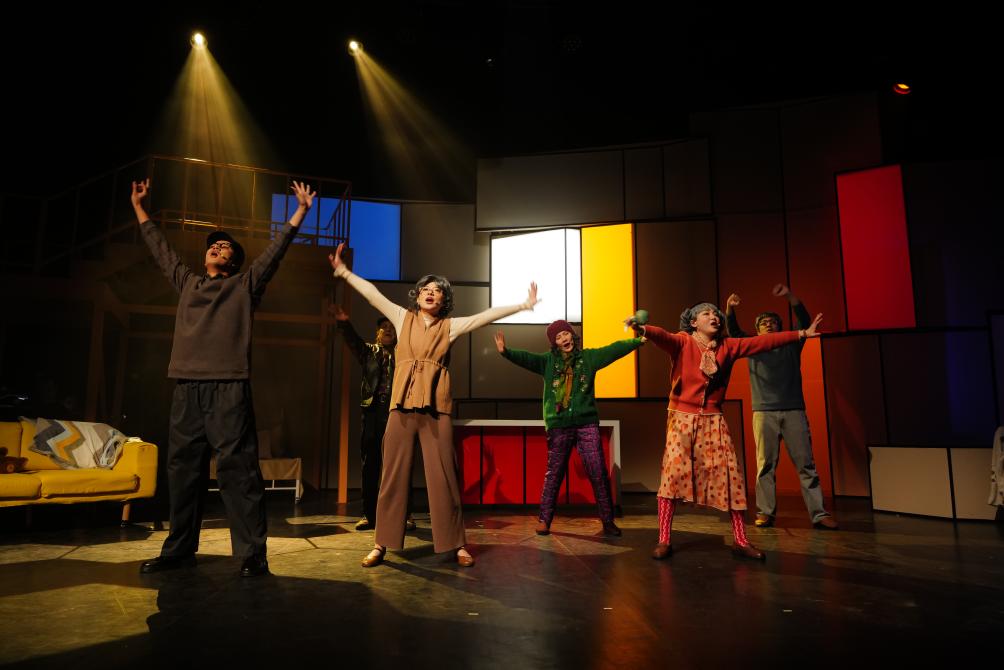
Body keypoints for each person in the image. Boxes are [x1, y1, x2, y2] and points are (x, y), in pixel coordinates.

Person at [132, 178, 315, 577]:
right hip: (186, 387)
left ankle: (251, 555)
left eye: (225, 246)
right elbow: (161, 251)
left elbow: (273, 255)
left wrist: (300, 212)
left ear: (233, 262)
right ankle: (179, 550)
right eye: (212, 245)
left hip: (229, 388)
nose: (216, 247)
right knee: (183, 473)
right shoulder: (188, 283)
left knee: (239, 472)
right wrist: (140, 208)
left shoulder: (244, 285)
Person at [329, 243, 539, 567]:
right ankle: (381, 543)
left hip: (435, 408)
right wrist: (344, 272)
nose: (430, 293)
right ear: (417, 296)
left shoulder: (450, 326)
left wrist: (523, 305)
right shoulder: (402, 318)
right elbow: (372, 294)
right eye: (426, 289)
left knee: (444, 477)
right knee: (392, 476)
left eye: (437, 290)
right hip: (401, 406)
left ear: (444, 300)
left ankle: (457, 544)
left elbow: (484, 317)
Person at [630, 301, 822, 560]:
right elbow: (662, 336)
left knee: (731, 477)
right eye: (706, 313)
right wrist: (643, 329)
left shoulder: (728, 346)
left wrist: (800, 333)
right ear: (694, 322)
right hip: (682, 418)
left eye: (716, 313)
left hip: (713, 419)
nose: (714, 317)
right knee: (672, 477)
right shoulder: (683, 342)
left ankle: (740, 540)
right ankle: (664, 539)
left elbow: (763, 342)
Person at [494, 321, 644, 536]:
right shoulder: (548, 361)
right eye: (558, 337)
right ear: (554, 343)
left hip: (586, 423)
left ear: (573, 335)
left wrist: (637, 341)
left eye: (566, 334)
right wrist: (506, 352)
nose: (564, 339)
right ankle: (544, 520)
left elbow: (613, 350)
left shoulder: (589, 358)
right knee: (554, 474)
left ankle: (608, 521)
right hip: (559, 424)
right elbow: (527, 358)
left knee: (598, 472)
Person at [725, 285, 838, 530]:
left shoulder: (791, 344)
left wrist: (788, 296)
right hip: (763, 412)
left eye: (772, 322)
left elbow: (804, 321)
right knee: (765, 465)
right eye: (763, 323)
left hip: (793, 410)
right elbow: (733, 331)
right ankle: (765, 512)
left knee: (806, 464)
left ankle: (819, 514)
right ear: (757, 330)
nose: (768, 324)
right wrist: (730, 308)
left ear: (780, 327)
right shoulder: (753, 345)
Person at [331, 308, 416, 532]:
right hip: (373, 413)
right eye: (383, 328)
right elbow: (353, 341)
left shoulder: (403, 354)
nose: (388, 330)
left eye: (391, 328)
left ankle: (405, 514)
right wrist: (344, 323)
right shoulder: (369, 351)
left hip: (398, 413)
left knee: (400, 465)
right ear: (377, 333)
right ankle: (368, 515)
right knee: (370, 465)